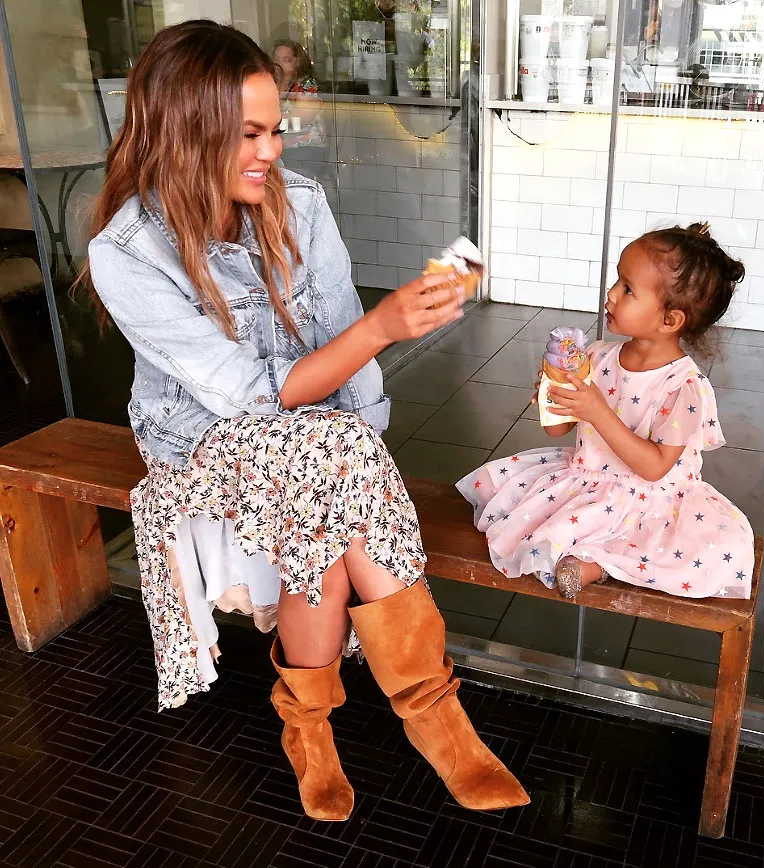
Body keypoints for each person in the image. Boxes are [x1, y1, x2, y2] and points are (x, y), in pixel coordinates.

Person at [77, 20, 528, 823]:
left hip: (313, 438)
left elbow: (335, 346)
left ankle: (310, 728)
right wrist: (383, 332)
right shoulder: (128, 250)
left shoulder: (303, 206)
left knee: (330, 467)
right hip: (201, 446)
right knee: (330, 457)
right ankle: (434, 717)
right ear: (186, 133)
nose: (272, 151)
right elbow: (248, 397)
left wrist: (358, 428)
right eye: (248, 134)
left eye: (276, 129)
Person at [457, 223, 755, 601]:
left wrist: (597, 411)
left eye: (628, 289)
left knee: (721, 546)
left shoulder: (684, 387)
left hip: (656, 501)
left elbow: (654, 467)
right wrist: (557, 399)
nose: (611, 294)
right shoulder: (597, 356)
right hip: (589, 482)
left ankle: (594, 565)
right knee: (541, 522)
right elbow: (559, 432)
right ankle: (592, 556)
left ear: (670, 320)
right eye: (617, 281)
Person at [273, 39, 326, 151]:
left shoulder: (307, 84)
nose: (279, 64)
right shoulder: (275, 83)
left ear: (298, 62)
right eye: (276, 59)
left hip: (306, 148)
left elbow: (302, 119)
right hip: (282, 147)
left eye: (286, 60)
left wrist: (269, 120)